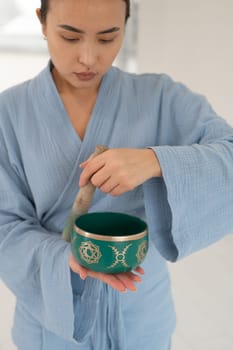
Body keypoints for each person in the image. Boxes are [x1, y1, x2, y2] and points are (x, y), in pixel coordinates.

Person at [0, 0, 233, 349]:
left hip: (141, 315)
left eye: (108, 39)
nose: (89, 58)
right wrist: (64, 258)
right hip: (53, 319)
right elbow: (5, 223)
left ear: (126, 25)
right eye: (70, 37)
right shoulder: (9, 114)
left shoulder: (162, 97)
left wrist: (156, 161)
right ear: (43, 23)